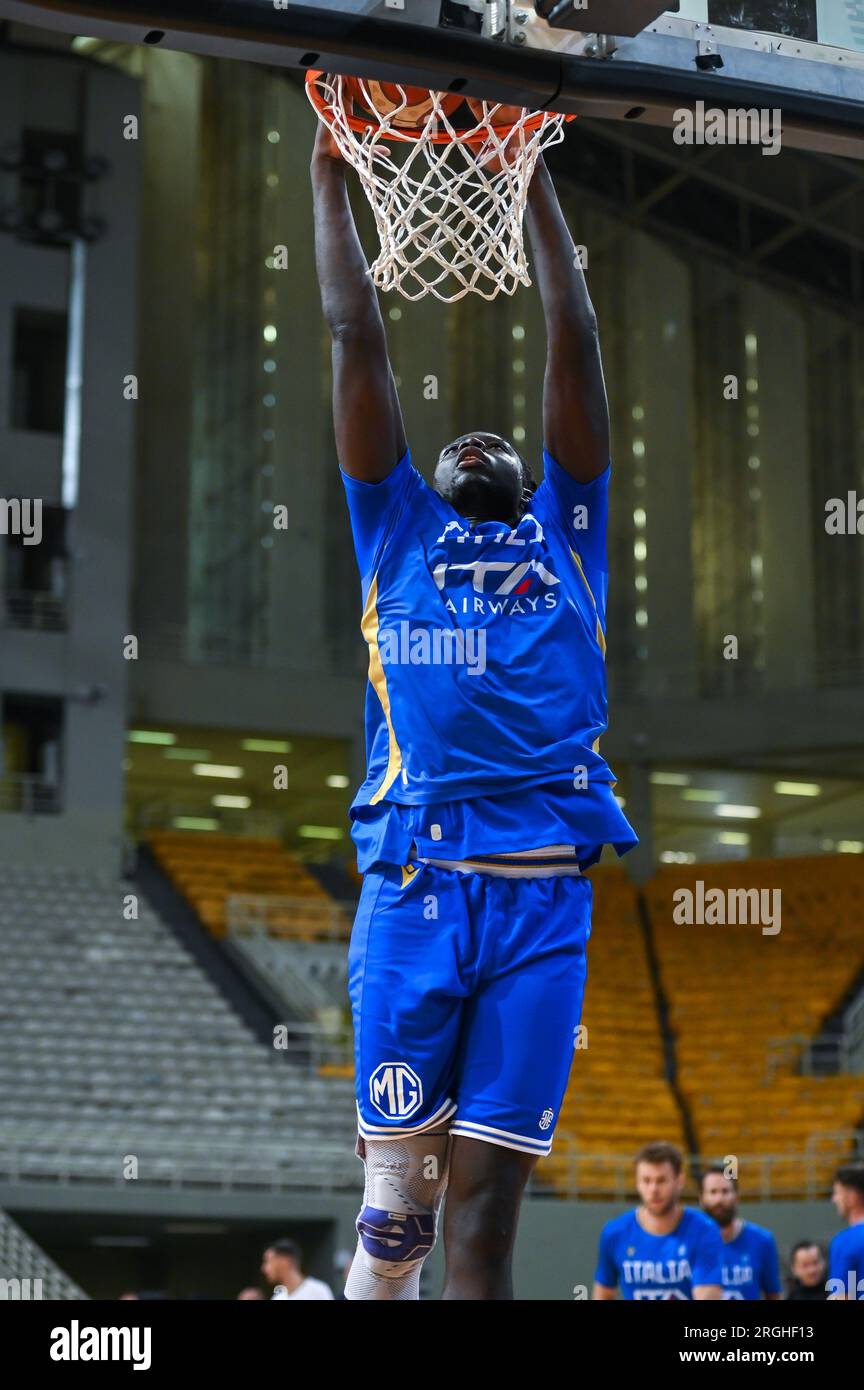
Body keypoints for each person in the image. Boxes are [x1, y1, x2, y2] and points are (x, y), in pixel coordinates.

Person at [311, 109, 637, 1301]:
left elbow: (574, 336)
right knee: (400, 1215)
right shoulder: (395, 527)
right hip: (416, 885)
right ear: (438, 483)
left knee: (486, 1228)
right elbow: (356, 335)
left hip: (544, 898)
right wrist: (328, 171)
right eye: (461, 441)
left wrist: (531, 172)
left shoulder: (574, 534)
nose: (489, 440)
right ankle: (379, 1254)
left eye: (507, 440)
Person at [593, 1143, 723, 1300]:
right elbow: (603, 1293)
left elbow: (707, 1296)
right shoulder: (615, 1233)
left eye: (661, 1181)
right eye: (646, 1180)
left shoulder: (704, 1231)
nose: (653, 1189)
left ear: (679, 1180)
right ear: (637, 1182)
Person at [699, 1165, 781, 1300]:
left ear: (737, 1197)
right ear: (701, 1199)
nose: (719, 1199)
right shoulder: (691, 1241)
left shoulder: (762, 1240)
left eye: (725, 1191)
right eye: (713, 1192)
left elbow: (773, 1295)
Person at [827, 1164, 864, 1300]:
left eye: (837, 1193)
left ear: (852, 1196)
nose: (834, 1199)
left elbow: (841, 1297)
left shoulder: (846, 1241)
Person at [261, 1239, 334, 1301]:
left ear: (285, 1261)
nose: (264, 1268)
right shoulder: (278, 1298)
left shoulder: (318, 1291)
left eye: (268, 1261)